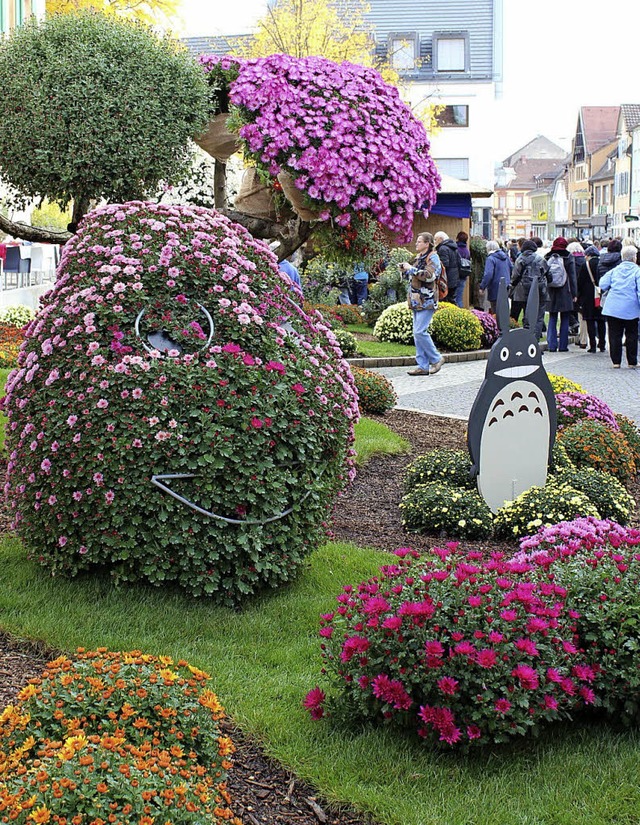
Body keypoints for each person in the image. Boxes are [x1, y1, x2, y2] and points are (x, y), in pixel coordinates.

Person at [400, 232, 445, 376]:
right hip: (416, 300)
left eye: (419, 242)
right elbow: (414, 276)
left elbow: (429, 276)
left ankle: (436, 358)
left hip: (428, 300)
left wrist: (410, 269)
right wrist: (404, 271)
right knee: (417, 333)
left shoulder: (433, 257)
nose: (416, 244)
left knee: (420, 331)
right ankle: (422, 365)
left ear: (427, 243)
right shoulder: (419, 258)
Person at [598, 245, 640, 369]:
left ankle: (616, 361)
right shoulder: (637, 271)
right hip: (631, 308)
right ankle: (632, 361)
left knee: (614, 334)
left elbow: (603, 284)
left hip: (613, 307)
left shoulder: (615, 270)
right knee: (631, 334)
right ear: (634, 258)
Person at [509, 239, 550, 341]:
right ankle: (535, 340)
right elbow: (549, 275)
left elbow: (515, 276)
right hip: (539, 291)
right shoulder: (540, 259)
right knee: (539, 317)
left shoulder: (519, 259)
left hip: (522, 291)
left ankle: (527, 339)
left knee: (526, 316)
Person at [544, 237, 577, 352]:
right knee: (565, 318)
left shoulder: (548, 256)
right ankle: (563, 345)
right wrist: (574, 293)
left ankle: (551, 345)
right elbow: (572, 276)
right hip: (565, 290)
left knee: (552, 317)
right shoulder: (568, 256)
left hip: (551, 290)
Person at [578, 245, 607, 353]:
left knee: (590, 320)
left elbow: (580, 282)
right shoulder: (602, 264)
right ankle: (602, 344)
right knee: (601, 321)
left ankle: (593, 345)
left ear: (589, 255)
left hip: (588, 296)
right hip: (600, 295)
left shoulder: (585, 265)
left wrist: (579, 296)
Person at [479, 239, 512, 315]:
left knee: (495, 310)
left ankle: (497, 326)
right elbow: (511, 268)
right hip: (505, 285)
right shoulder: (506, 257)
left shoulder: (491, 258)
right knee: (503, 309)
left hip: (495, 287)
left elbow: (488, 274)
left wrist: (482, 287)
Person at [567, 241, 588, 348]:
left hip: (572, 289)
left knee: (570, 310)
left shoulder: (570, 260)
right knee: (581, 314)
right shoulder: (584, 260)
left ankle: (574, 326)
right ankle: (581, 336)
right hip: (584, 291)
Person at [433, 231, 459, 303]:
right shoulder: (453, 247)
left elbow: (443, 265)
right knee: (451, 300)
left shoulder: (442, 248)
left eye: (435, 239)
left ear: (441, 239)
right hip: (454, 278)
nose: (434, 242)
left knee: (444, 301)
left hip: (446, 279)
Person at [454, 230, 471, 307]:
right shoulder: (467, 250)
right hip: (463, 276)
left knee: (454, 299)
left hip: (456, 275)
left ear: (457, 238)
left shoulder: (456, 249)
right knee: (459, 298)